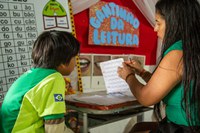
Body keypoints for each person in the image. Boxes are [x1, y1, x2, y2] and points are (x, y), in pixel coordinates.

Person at [118, 0, 200, 132]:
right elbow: (164, 84)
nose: (155, 28)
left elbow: (146, 98)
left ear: (175, 23)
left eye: (158, 23)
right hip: (190, 126)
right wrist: (142, 72)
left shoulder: (177, 54)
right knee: (138, 127)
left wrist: (128, 76)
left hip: (183, 128)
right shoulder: (191, 47)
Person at [0, 30, 80, 133]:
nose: (76, 62)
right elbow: (55, 127)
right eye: (75, 57)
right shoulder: (53, 78)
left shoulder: (32, 75)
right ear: (63, 61)